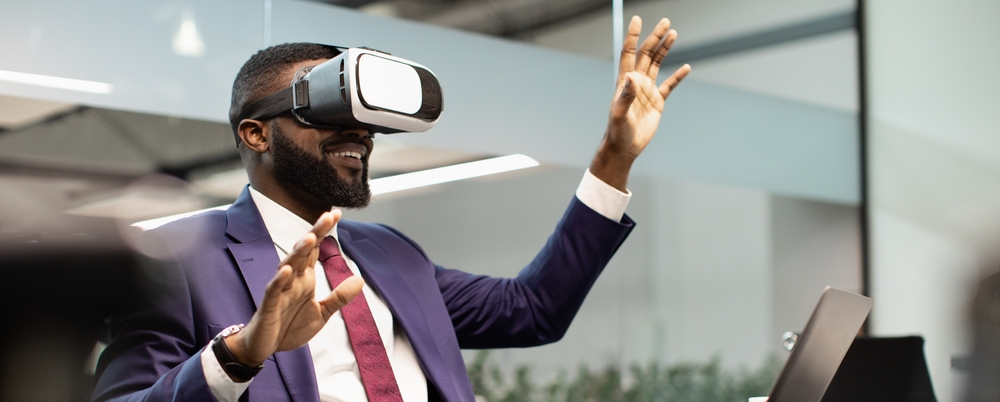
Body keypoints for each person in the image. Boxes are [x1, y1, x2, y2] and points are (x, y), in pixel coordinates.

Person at [92, 16, 691, 402]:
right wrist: (241, 354)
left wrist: (614, 157)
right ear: (255, 134)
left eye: (365, 119)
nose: (358, 133)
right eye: (325, 111)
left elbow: (532, 310)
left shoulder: (390, 254)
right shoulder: (175, 258)